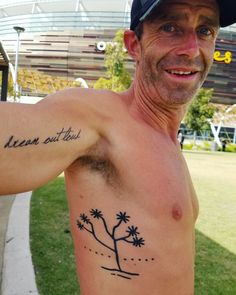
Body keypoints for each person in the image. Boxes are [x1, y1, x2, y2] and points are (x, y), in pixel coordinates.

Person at [1, 0, 236, 294]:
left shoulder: (164, 136)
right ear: (133, 45)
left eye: (205, 30)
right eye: (169, 27)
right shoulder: (101, 120)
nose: (191, 48)